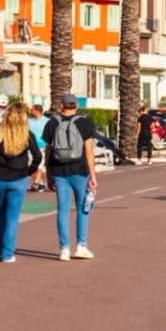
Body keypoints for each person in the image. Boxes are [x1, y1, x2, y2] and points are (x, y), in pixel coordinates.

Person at [0, 102, 40, 262]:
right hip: (18, 179)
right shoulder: (27, 135)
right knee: (12, 217)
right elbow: (37, 156)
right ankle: (7, 254)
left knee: (2, 214)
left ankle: (2, 250)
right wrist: (28, 171)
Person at [42, 99, 99, 260]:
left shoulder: (52, 124)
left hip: (59, 172)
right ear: (76, 105)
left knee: (62, 210)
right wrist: (93, 176)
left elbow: (48, 151)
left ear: (61, 105)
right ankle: (81, 246)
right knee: (83, 208)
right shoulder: (84, 123)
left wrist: (48, 174)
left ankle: (64, 249)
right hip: (80, 171)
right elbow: (88, 152)